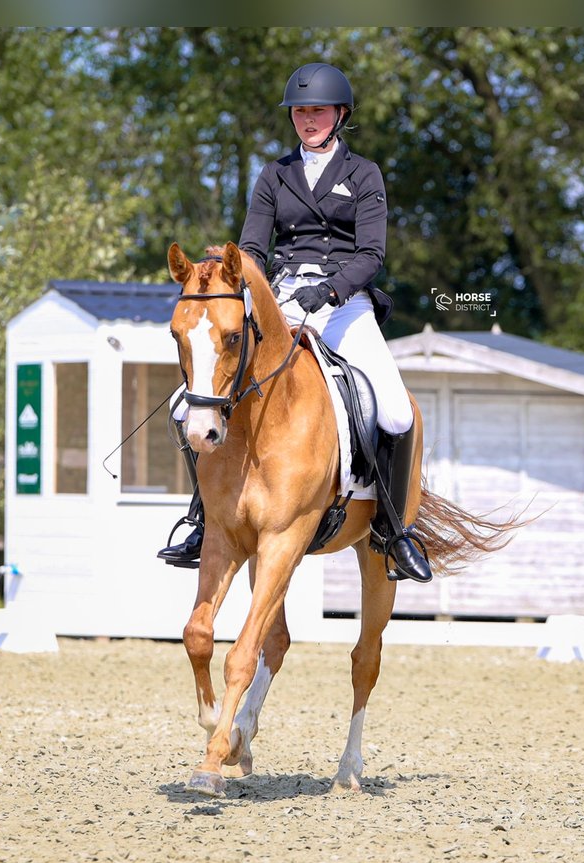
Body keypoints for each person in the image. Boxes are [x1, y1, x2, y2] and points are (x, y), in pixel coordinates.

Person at [159, 62, 432, 583]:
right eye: (301, 111)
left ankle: (393, 532)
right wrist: (263, 288)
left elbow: (372, 252)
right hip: (280, 297)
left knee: (396, 412)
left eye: (318, 111)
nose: (308, 119)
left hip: (345, 301)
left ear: (339, 115)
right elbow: (255, 247)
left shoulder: (363, 174)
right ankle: (203, 518)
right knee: (187, 405)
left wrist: (330, 289)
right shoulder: (274, 175)